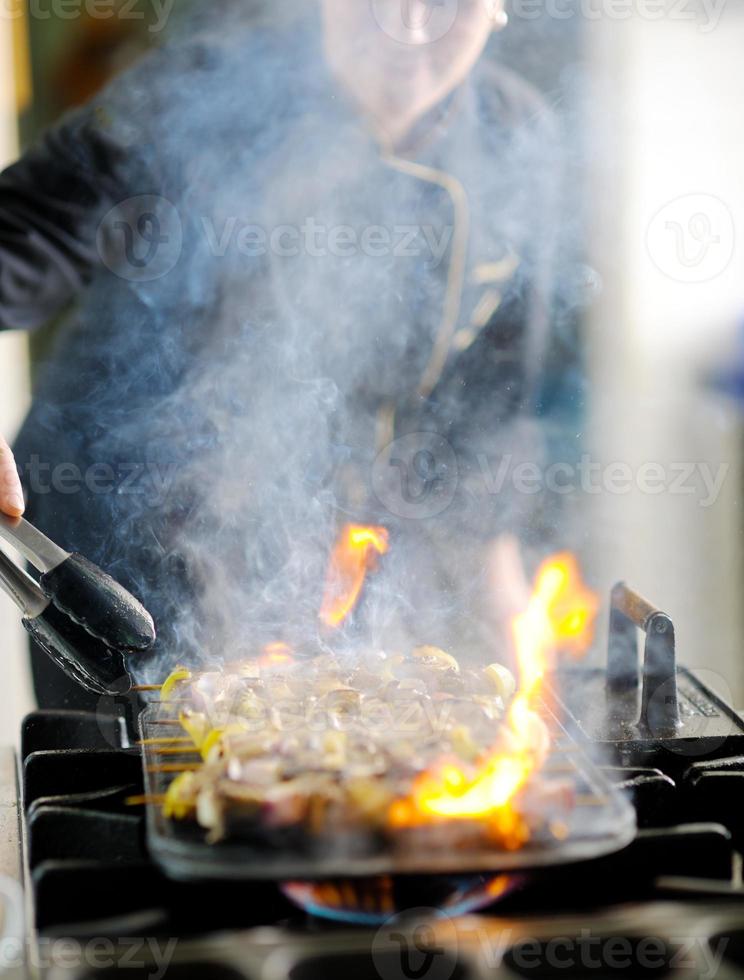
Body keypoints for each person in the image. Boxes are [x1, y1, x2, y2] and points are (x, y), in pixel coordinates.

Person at [0, 0, 569, 708]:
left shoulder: (519, 140)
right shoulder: (205, 86)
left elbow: (489, 400)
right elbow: (20, 233)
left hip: (322, 552)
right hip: (116, 548)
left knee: (306, 782)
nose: (409, 25)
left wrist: (507, 601)